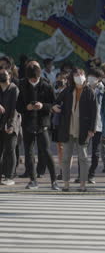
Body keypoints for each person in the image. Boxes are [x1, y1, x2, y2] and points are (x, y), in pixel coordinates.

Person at [17, 61, 59, 191]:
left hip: (42, 123)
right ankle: (33, 180)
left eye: (35, 79)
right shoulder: (22, 84)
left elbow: (54, 104)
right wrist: (26, 107)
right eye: (31, 79)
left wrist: (43, 106)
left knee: (46, 151)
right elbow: (18, 106)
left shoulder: (46, 85)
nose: (33, 81)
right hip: (28, 123)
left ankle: (54, 181)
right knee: (29, 153)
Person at [53, 68, 96, 192]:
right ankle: (66, 184)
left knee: (83, 157)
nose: (80, 76)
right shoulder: (68, 90)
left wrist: (92, 128)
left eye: (82, 74)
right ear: (73, 77)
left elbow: (94, 112)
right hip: (68, 128)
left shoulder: (89, 92)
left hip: (83, 129)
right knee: (66, 157)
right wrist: (54, 107)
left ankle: (83, 185)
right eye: (77, 74)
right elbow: (56, 102)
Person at [81, 68, 105, 184]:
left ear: (99, 79)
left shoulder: (104, 93)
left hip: (98, 126)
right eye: (90, 76)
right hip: (84, 125)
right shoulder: (84, 90)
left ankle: (91, 174)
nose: (91, 78)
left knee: (95, 152)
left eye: (94, 77)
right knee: (82, 150)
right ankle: (81, 174)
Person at [0, 67, 20, 186]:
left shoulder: (14, 89)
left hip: (11, 123)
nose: (2, 76)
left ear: (10, 76)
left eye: (4, 74)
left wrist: (11, 125)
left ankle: (9, 176)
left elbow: (15, 110)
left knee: (10, 150)